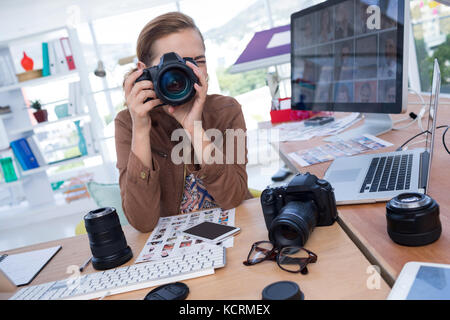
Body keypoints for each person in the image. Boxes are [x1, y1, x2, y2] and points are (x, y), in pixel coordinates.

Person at [115, 12, 252, 232]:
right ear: (145, 72)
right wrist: (140, 130)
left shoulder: (227, 110)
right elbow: (142, 222)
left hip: (237, 232)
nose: (187, 72)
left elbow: (233, 198)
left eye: (198, 61)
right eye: (174, 65)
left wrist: (194, 127)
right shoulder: (127, 123)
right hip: (174, 246)